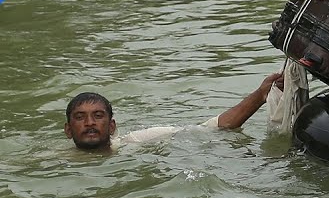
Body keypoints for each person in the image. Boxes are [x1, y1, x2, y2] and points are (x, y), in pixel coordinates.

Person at [64, 72, 284, 150]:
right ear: (68, 130)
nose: (90, 123)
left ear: (112, 126)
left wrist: (261, 94)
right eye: (80, 117)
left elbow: (212, 128)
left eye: (98, 116)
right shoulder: (55, 161)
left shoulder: (136, 143)